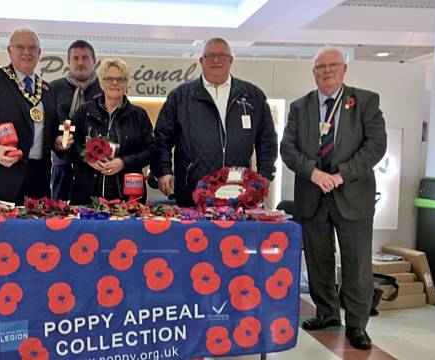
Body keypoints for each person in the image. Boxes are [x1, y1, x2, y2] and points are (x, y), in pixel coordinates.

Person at [280, 46, 387, 350]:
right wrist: (314, 174)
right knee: (318, 259)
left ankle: (357, 324)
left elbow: (375, 145)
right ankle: (326, 313)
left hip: (352, 195)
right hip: (312, 194)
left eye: (332, 65)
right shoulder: (301, 107)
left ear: (344, 69)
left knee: (356, 262)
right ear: (313, 71)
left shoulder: (365, 101)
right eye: (320, 67)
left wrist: (341, 175)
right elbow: (288, 149)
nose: (326, 71)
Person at [153, 37, 278, 207]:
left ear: (231, 60)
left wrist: (265, 174)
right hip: (191, 193)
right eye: (210, 55)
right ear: (201, 61)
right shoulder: (180, 97)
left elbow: (267, 140)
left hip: (239, 194)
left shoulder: (252, 96)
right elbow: (162, 138)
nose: (216, 60)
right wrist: (164, 171)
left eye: (222, 55)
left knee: (234, 235)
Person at [0, 28, 68, 204]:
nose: (27, 52)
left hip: (39, 182)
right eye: (20, 47)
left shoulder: (48, 89)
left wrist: (58, 141)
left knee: (36, 231)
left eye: (32, 48)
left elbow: (52, 129)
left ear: (39, 53)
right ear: (10, 51)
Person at [69, 58, 155, 205]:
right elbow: (71, 147)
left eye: (120, 79)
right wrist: (87, 158)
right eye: (109, 78)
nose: (115, 83)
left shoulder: (139, 115)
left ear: (127, 83)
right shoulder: (84, 111)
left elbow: (151, 150)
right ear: (101, 83)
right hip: (86, 193)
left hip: (128, 197)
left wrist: (123, 162)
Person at [50, 40, 102, 200]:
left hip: (96, 168)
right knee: (59, 217)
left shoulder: (104, 88)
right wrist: (55, 140)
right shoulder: (53, 88)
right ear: (68, 62)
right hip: (62, 166)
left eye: (85, 58)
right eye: (75, 58)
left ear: (94, 61)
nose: (80, 62)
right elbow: (47, 126)